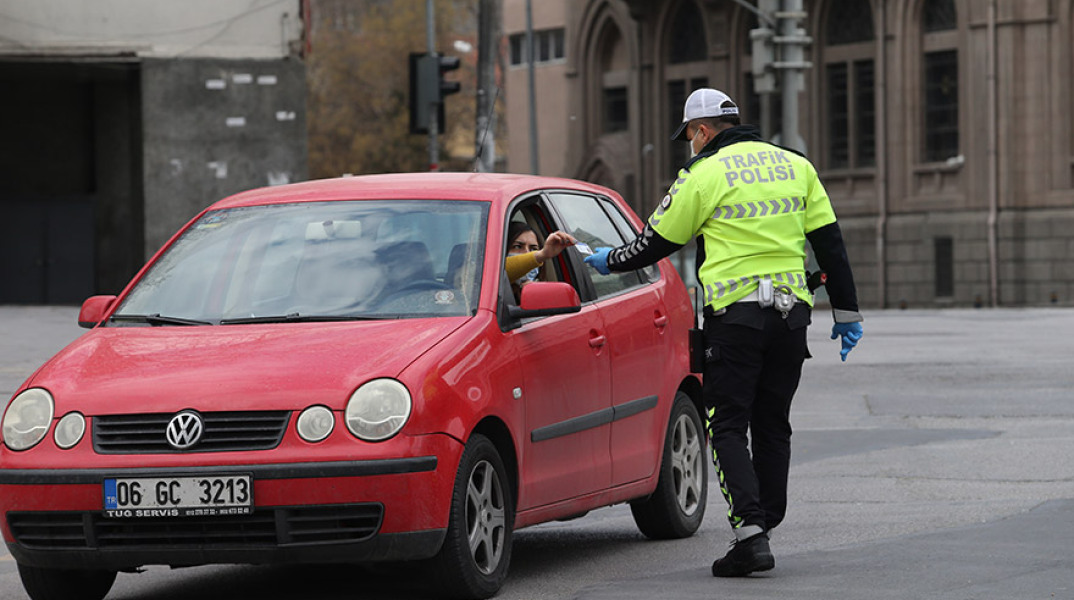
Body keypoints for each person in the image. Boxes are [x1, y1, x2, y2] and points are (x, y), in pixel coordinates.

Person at [584, 88, 864, 577]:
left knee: (727, 423)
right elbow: (830, 244)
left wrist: (609, 260)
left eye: (689, 136)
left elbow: (656, 243)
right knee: (773, 422)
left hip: (735, 322)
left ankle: (750, 534)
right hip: (791, 317)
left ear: (703, 131)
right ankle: (765, 522)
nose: (689, 145)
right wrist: (846, 312)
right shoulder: (796, 165)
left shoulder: (704, 173)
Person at [504, 222, 574, 298]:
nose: (527, 253)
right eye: (517, 247)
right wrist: (542, 255)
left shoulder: (540, 295)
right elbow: (498, 271)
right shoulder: (491, 287)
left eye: (533, 249)